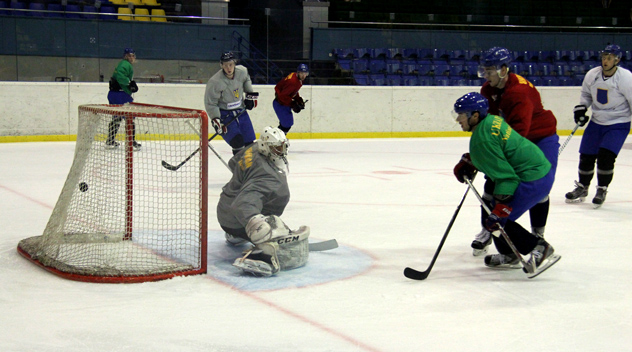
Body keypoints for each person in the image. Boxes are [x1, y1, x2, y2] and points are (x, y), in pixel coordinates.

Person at [452, 92, 560, 273]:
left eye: (462, 115)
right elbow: (499, 151)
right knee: (493, 217)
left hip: (533, 179)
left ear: (475, 115)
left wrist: (502, 206)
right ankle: (509, 255)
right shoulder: (491, 121)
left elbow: (506, 177)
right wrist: (473, 160)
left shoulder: (481, 139)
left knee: (496, 221)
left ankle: (540, 248)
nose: (458, 119)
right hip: (539, 171)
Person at [469, 46, 559, 256]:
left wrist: (497, 154)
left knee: (540, 187)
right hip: (514, 138)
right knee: (493, 180)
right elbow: (487, 125)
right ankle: (488, 229)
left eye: (489, 71)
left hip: (539, 137)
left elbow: (518, 133)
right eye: (484, 71)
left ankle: (538, 235)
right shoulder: (488, 90)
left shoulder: (519, 92)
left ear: (503, 69)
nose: (485, 75)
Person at [217, 126, 309, 277]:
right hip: (234, 218)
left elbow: (234, 162)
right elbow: (243, 205)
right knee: (275, 221)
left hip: (225, 209)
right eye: (276, 148)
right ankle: (260, 251)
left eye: (283, 147)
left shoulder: (253, 148)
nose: (281, 152)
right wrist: (258, 227)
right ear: (265, 147)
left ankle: (237, 234)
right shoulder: (267, 176)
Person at [565, 44, 632, 208]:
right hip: (597, 121)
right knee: (586, 156)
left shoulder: (625, 78)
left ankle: (602, 188)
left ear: (617, 59)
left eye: (609, 58)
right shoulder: (592, 74)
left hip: (618, 122)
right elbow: (586, 95)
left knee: (606, 157)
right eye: (604, 57)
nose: (605, 61)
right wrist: (581, 109)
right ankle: (583, 187)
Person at [204, 51, 259, 155]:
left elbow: (246, 79)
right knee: (237, 142)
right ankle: (240, 169)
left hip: (241, 111)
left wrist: (249, 94)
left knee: (250, 142)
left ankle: (251, 169)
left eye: (230, 64)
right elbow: (211, 103)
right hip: (225, 115)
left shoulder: (242, 71)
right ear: (221, 65)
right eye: (225, 65)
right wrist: (216, 119)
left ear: (235, 63)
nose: (228, 68)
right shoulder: (215, 81)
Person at [106, 47, 140, 150]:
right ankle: (131, 142)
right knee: (130, 116)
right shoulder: (125, 65)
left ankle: (110, 140)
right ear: (125, 56)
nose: (131, 57)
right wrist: (129, 83)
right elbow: (120, 76)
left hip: (114, 94)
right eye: (129, 55)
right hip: (121, 95)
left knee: (117, 117)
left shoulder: (122, 64)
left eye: (133, 55)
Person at [273, 63, 309, 134]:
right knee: (287, 124)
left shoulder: (298, 79)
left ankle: (278, 139)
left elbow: (293, 91)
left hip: (284, 103)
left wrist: (298, 99)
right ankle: (275, 139)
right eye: (302, 73)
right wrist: (293, 104)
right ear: (298, 72)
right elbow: (282, 96)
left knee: (287, 123)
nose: (303, 76)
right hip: (280, 103)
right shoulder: (292, 81)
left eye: (305, 74)